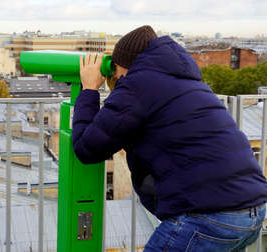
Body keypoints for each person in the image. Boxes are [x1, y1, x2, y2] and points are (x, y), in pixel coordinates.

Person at [72, 25, 267, 251]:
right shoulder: (190, 84)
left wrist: (88, 90)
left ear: (121, 65)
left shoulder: (138, 85)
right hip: (252, 210)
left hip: (208, 217)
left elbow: (87, 148)